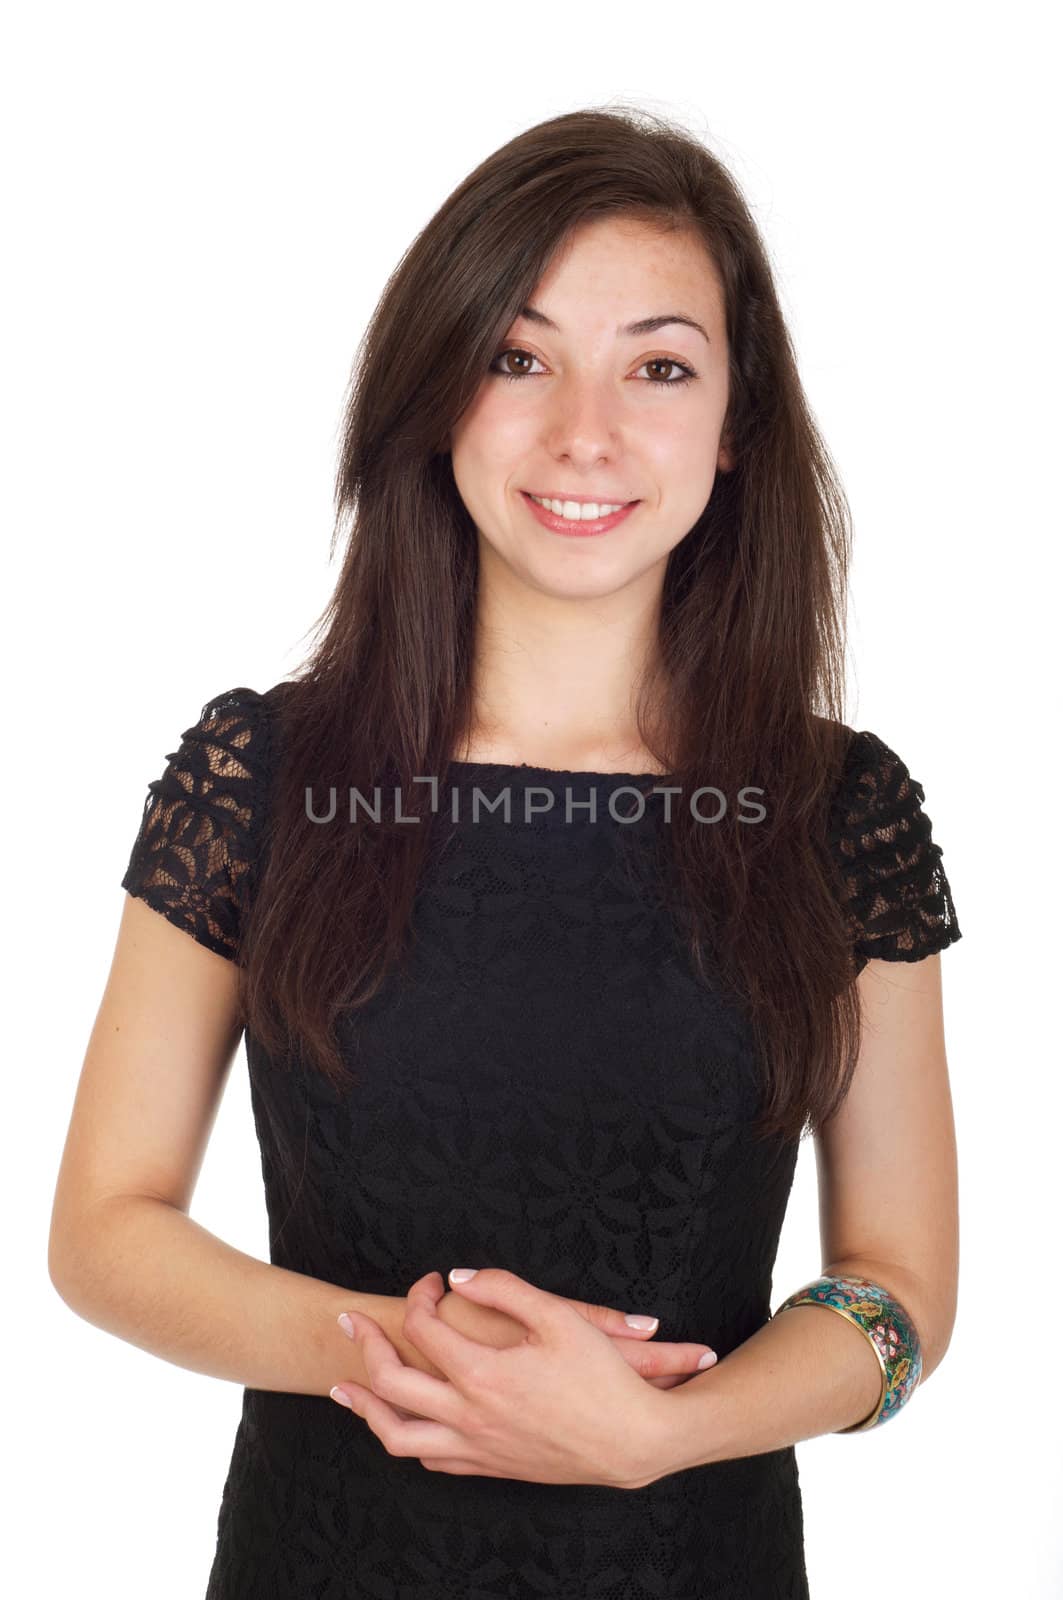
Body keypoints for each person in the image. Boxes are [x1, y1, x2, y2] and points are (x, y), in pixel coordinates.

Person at [48, 105, 963, 1599]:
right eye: (517, 357)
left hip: (699, 1560)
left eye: (659, 367)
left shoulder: (834, 808)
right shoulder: (265, 776)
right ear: (435, 393)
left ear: (735, 429)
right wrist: (423, 1357)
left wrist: (659, 1434)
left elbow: (903, 1289)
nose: (584, 431)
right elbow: (103, 1228)